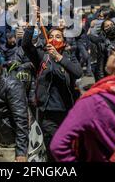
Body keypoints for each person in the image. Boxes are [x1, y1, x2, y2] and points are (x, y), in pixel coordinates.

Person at [22, 12, 82, 161]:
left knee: (68, 146)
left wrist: (59, 57)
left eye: (58, 36)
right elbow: (26, 45)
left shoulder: (69, 56)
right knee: (53, 147)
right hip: (47, 112)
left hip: (67, 110)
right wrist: (32, 22)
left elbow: (78, 72)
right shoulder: (42, 56)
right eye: (52, 36)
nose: (54, 39)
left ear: (64, 41)